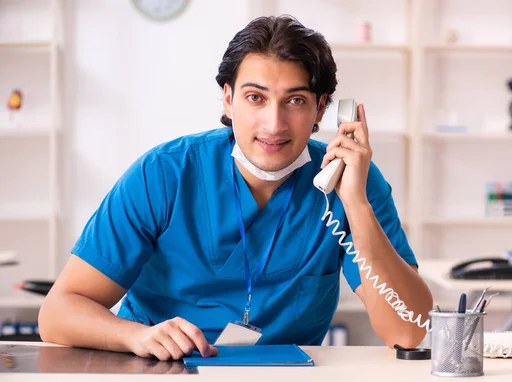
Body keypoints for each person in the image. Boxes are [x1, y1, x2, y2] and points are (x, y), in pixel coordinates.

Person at [39, 15, 433, 361]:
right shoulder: (164, 173)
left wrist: (356, 205)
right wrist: (137, 337)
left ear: (321, 109)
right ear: (228, 100)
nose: (273, 124)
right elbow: (58, 313)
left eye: (294, 100)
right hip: (158, 373)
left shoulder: (353, 181)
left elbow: (408, 331)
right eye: (255, 98)